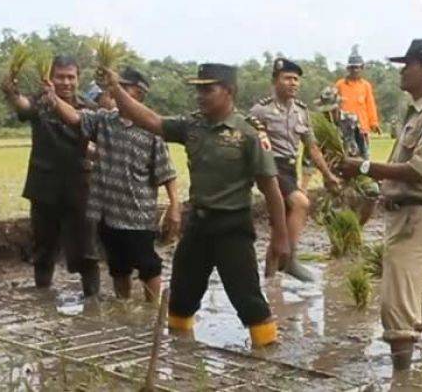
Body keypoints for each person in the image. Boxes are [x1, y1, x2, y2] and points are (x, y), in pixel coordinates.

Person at [61, 63, 289, 347]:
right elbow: (151, 120)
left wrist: (280, 238)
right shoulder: (192, 126)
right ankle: (182, 354)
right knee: (182, 295)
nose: (200, 95)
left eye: (208, 89)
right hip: (198, 225)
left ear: (229, 91)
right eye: (198, 89)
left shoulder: (249, 134)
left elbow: (271, 189)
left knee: (248, 298)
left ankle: (266, 353)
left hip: (232, 227)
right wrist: (116, 89)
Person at [338, 39, 422, 370]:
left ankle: (402, 380)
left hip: (416, 218)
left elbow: (421, 170)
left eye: (409, 64)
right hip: (411, 215)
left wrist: (362, 166)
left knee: (397, 307)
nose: (402, 70)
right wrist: (372, 184)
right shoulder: (418, 112)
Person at [59, 66, 181, 302]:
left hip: (138, 215)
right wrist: (53, 98)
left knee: (148, 266)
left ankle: (152, 310)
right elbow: (75, 117)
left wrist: (175, 205)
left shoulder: (151, 129)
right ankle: (124, 307)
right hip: (107, 212)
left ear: (138, 93)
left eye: (123, 87)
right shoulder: (105, 120)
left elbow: (167, 172)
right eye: (117, 87)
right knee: (118, 267)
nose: (117, 92)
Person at [0, 55, 100, 297]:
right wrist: (12, 94)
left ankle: (92, 298)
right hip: (44, 185)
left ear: (78, 78)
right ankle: (43, 295)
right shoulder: (40, 102)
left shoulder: (89, 108)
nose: (66, 82)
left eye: (71, 77)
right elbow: (24, 105)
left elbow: (98, 143)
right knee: (43, 247)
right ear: (50, 79)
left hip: (80, 186)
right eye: (60, 77)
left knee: (86, 248)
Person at [249, 58, 341, 281]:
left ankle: (270, 284)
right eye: (287, 78)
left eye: (296, 79)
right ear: (275, 81)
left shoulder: (301, 111)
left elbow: (312, 147)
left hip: (290, 169)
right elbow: (248, 143)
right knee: (301, 203)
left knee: (279, 227)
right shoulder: (260, 110)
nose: (293, 83)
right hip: (269, 168)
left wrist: (328, 175)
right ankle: (289, 260)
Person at [313, 86, 378, 225]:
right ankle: (338, 239)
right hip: (333, 169)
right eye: (326, 110)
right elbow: (311, 154)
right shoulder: (318, 126)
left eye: (332, 109)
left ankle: (358, 227)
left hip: (355, 165)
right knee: (334, 206)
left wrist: (367, 166)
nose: (329, 113)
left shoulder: (351, 119)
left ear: (339, 105)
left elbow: (362, 144)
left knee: (372, 192)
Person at [334, 45, 381, 145]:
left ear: (362, 68)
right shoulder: (340, 85)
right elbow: (333, 106)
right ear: (348, 68)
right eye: (352, 67)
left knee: (364, 158)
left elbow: (370, 105)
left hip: (362, 129)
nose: (354, 70)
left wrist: (374, 123)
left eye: (357, 67)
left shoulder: (366, 86)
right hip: (344, 130)